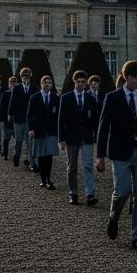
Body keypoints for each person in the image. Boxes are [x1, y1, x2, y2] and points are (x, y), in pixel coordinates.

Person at [96, 60, 137, 251]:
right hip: (120, 152)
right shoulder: (112, 97)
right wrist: (100, 156)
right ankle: (114, 216)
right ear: (127, 77)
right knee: (122, 191)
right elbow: (103, 127)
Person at [59, 69, 100, 205]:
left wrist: (98, 136)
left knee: (88, 165)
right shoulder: (66, 98)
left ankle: (89, 194)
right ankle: (73, 193)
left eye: (83, 82)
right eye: (79, 82)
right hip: (71, 137)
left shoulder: (90, 99)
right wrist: (62, 139)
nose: (81, 84)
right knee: (72, 167)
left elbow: (95, 120)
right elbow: (61, 120)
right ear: (74, 82)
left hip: (87, 137)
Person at [26, 74, 60, 189]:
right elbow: (30, 115)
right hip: (38, 130)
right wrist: (31, 129)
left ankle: (49, 179)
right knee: (41, 156)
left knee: (49, 156)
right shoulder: (34, 97)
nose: (47, 85)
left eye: (49, 83)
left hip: (51, 131)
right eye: (45, 83)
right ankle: (43, 179)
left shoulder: (55, 98)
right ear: (41, 84)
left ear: (52, 85)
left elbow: (58, 116)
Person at [8, 67, 35, 168]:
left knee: (30, 142)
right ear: (21, 77)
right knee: (18, 140)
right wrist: (9, 114)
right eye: (24, 76)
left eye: (27, 76)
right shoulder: (16, 88)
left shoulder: (34, 88)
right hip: (18, 119)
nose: (26, 78)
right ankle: (17, 155)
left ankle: (31, 162)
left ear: (30, 77)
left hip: (30, 119)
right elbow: (12, 102)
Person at [0, 75, 17, 161]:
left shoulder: (18, 94)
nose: (12, 85)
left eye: (14, 83)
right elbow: (2, 108)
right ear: (8, 84)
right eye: (11, 83)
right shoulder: (5, 94)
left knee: (17, 140)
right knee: (6, 139)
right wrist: (2, 120)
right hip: (7, 121)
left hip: (16, 121)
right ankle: (5, 154)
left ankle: (16, 155)